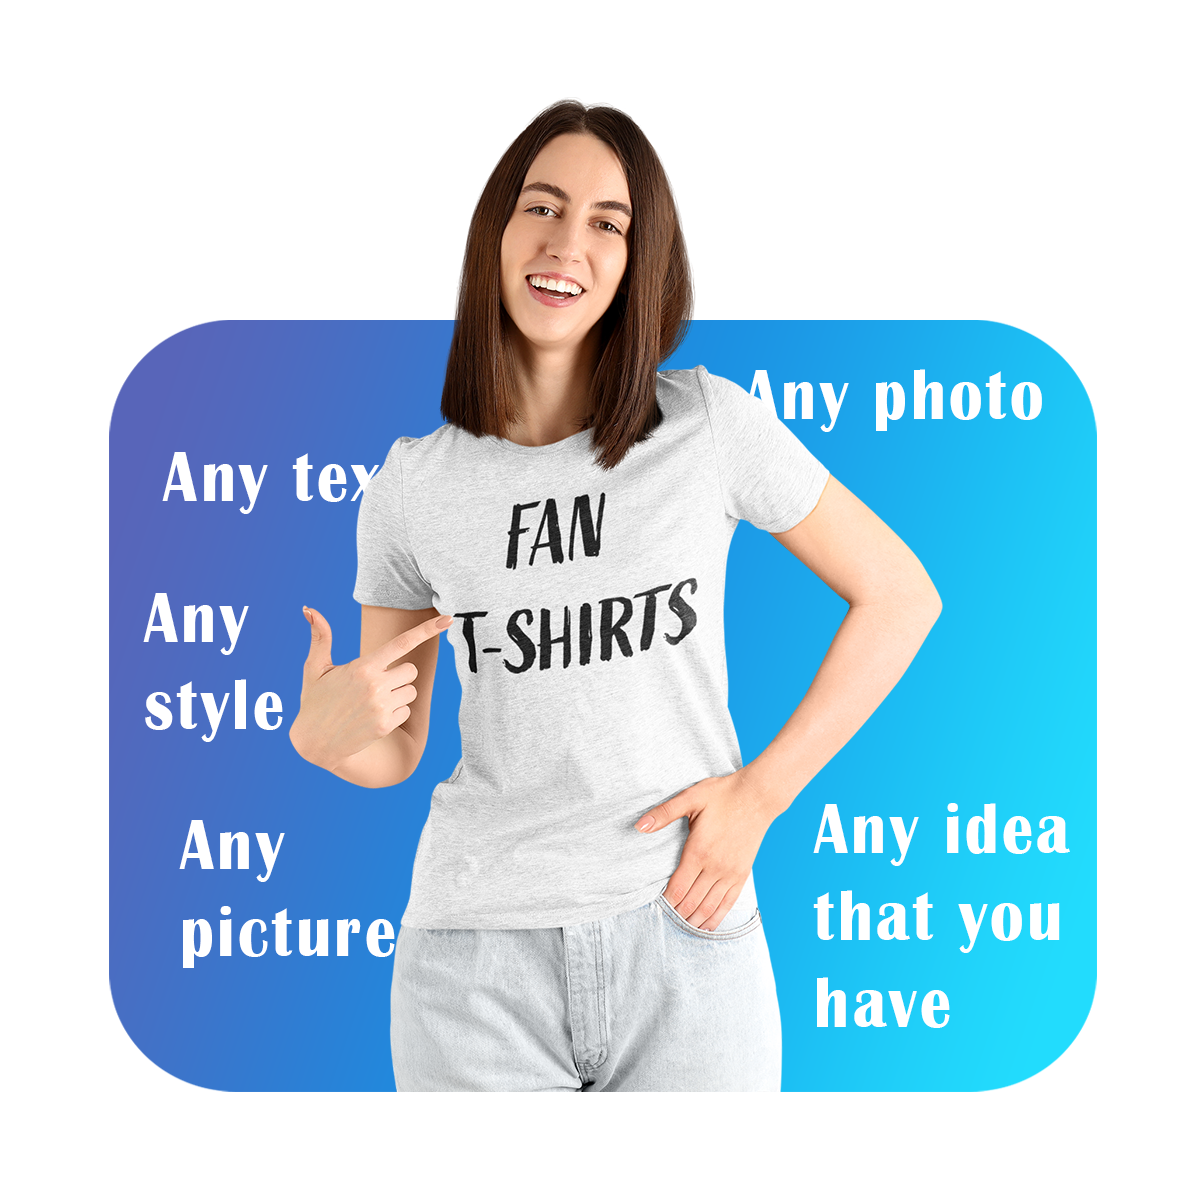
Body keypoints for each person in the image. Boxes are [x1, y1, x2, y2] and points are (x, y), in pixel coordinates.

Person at [289, 100, 941, 1092]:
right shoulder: (411, 489)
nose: (567, 244)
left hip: (690, 931)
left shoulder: (710, 426)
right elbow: (395, 750)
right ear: (496, 233)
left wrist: (760, 796)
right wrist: (322, 735)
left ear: (641, 262)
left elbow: (901, 596)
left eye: (607, 223)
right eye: (541, 208)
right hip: (473, 970)